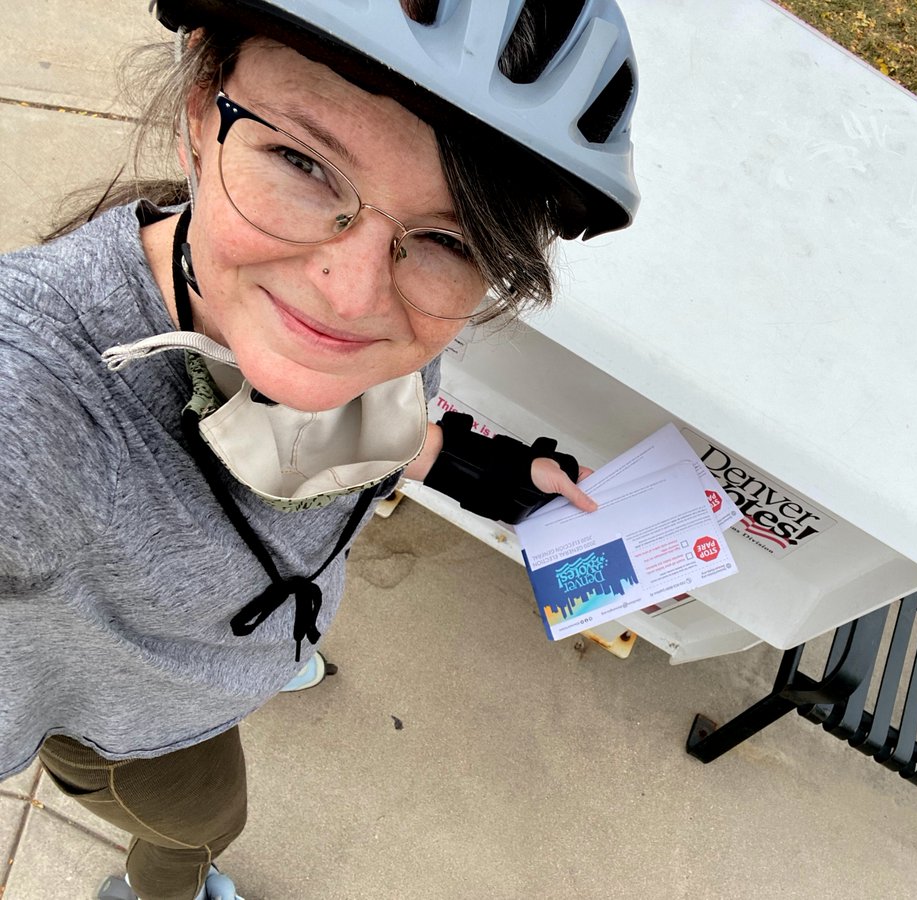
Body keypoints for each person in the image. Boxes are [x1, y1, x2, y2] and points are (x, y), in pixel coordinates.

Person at [0, 1, 639, 898]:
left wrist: (479, 470)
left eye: (450, 238)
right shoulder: (36, 394)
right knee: (204, 824)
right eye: (303, 163)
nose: (350, 294)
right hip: (151, 728)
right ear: (198, 107)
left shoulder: (358, 317)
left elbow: (338, 433)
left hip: (250, 636)